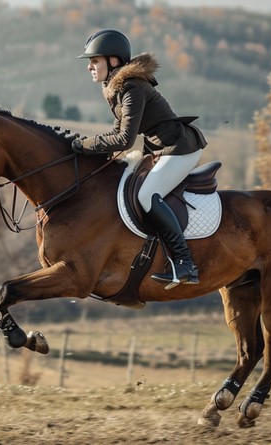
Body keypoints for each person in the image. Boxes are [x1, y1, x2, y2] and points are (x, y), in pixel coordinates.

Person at [72, 29, 207, 288]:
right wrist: (84, 146)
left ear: (113, 61)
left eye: (94, 60)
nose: (89, 66)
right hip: (160, 148)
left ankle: (185, 263)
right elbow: (116, 132)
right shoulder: (118, 89)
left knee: (147, 196)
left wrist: (83, 145)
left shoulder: (132, 88)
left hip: (180, 147)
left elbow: (124, 139)